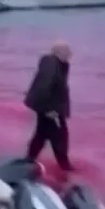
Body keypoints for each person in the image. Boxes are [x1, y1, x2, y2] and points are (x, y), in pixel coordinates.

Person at [23, 41, 74, 173]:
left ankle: (28, 161)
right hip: (50, 109)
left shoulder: (58, 65)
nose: (70, 54)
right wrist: (48, 110)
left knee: (41, 135)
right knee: (60, 137)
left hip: (48, 107)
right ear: (58, 52)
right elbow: (43, 87)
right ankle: (65, 169)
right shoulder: (51, 65)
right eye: (67, 51)